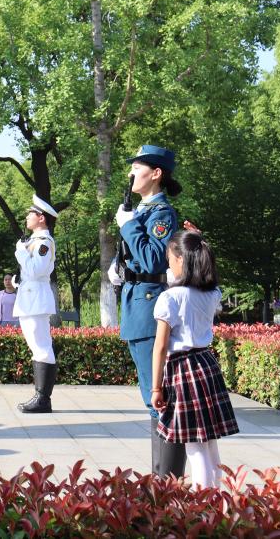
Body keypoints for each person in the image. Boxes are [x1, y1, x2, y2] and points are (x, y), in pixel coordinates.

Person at [114, 144, 186, 477]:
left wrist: (128, 226)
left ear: (156, 173)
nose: (130, 173)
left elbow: (154, 260)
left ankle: (166, 482)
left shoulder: (162, 213)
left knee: (159, 395)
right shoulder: (143, 210)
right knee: (150, 393)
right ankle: (162, 479)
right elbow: (136, 257)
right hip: (136, 301)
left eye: (137, 167)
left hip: (148, 305)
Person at [151, 230, 238, 488]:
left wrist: (156, 388)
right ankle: (216, 497)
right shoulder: (211, 294)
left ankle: (203, 502)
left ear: (181, 259)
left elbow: (160, 346)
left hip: (183, 369)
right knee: (209, 442)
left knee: (194, 445)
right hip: (206, 365)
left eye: (170, 258)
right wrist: (195, 239)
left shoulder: (170, 298)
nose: (168, 264)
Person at [14, 195, 59, 414]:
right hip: (30, 299)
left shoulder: (44, 242)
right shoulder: (34, 241)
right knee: (37, 347)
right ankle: (40, 396)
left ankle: (43, 399)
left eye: (30, 213)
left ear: (41, 218)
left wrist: (21, 252)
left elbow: (35, 270)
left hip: (36, 300)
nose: (27, 217)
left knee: (41, 347)